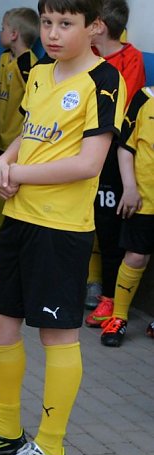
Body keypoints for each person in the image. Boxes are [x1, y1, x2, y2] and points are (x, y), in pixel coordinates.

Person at [0, 0, 126, 455]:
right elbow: (30, 130)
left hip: (62, 229)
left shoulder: (106, 81)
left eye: (66, 24)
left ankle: (50, 448)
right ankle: (5, 430)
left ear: (94, 28)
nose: (53, 33)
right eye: (47, 22)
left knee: (56, 335)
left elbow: (89, 163)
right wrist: (8, 161)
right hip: (21, 219)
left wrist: (19, 171)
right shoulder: (41, 72)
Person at [84, 0, 146, 327]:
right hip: (83, 148)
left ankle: (109, 294)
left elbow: (122, 111)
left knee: (109, 226)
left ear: (100, 26)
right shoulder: (86, 55)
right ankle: (94, 283)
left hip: (111, 153)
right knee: (92, 219)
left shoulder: (131, 59)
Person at [98, 85, 152, 347]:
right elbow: (125, 147)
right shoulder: (144, 98)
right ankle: (118, 318)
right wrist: (129, 187)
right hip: (145, 199)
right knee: (136, 255)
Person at [0, 7, 40, 229]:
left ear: (14, 34)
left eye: (2, 28)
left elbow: (34, 102)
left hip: (14, 139)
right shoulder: (3, 58)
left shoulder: (28, 65)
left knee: (6, 189)